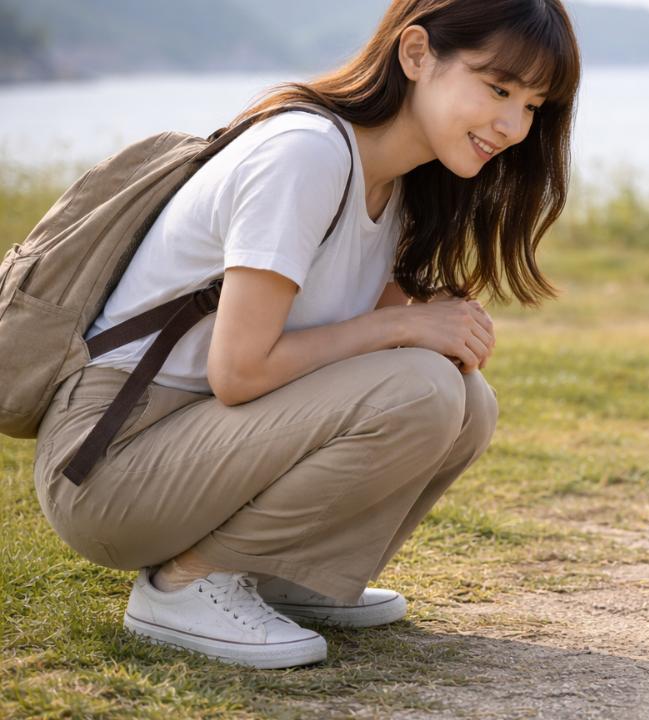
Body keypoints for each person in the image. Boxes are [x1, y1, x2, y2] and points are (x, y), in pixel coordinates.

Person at [31, 0, 580, 669]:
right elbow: (241, 371)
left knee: (467, 400)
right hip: (110, 462)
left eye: (532, 104)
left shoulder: (401, 185)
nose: (513, 125)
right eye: (497, 89)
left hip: (190, 440)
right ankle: (186, 585)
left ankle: (290, 575)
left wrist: (420, 317)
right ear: (415, 55)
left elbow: (342, 342)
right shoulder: (306, 153)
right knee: (423, 389)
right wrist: (403, 324)